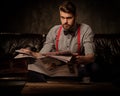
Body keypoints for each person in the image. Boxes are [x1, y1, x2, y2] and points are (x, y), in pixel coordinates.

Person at [19, 1, 95, 82]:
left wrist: (79, 59)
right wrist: (32, 54)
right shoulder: (54, 30)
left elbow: (90, 57)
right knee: (32, 70)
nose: (65, 21)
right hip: (58, 67)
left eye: (69, 18)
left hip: (77, 67)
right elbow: (43, 54)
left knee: (94, 68)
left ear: (75, 16)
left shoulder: (85, 29)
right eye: (62, 17)